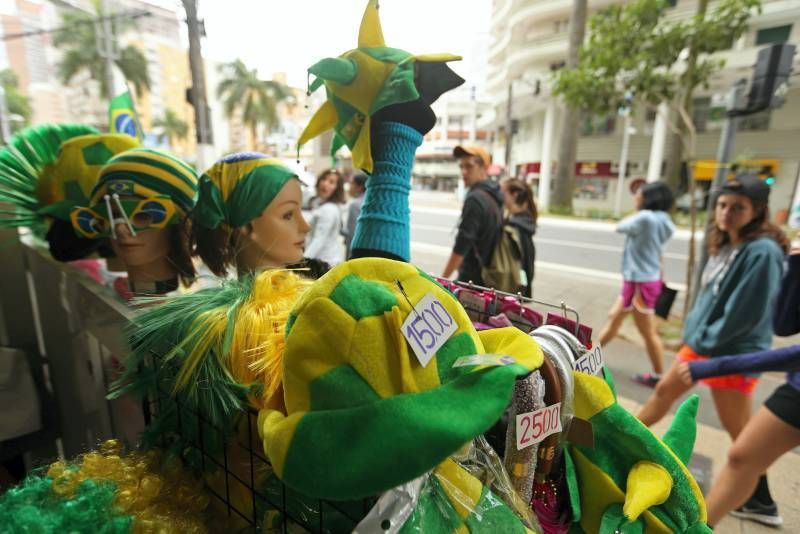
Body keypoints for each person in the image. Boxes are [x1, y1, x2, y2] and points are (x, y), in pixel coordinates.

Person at [636, 174, 789, 523]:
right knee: (663, 392)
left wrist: (704, 340)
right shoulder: (726, 242)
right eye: (722, 205)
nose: (726, 213)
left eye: (738, 207)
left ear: (757, 211)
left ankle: (761, 501)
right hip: (704, 344)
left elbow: (746, 313)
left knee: (741, 436)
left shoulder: (762, 252)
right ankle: (613, 441)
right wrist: (694, 334)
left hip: (731, 352)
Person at [677, 237, 800, 528]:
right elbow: (784, 324)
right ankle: (700, 528)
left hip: (731, 355)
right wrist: (796, 266)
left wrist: (713, 366)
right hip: (795, 390)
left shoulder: (762, 251)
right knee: (741, 457)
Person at [598, 182, 675, 387]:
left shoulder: (645, 218)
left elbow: (620, 226)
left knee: (646, 331)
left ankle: (659, 375)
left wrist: (637, 212)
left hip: (639, 282)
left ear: (649, 198)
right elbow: (659, 251)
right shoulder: (664, 220)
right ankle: (588, 358)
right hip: (646, 279)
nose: (636, 197)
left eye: (639, 194)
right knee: (614, 318)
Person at [191, 153, 313, 279]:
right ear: (247, 225)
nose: (306, 226)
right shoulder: (314, 296)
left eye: (300, 211)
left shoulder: (313, 294)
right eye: (288, 215)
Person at [441, 145, 503, 285]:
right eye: (461, 166)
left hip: (471, 282)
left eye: (469, 166)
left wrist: (442, 279)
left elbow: (463, 242)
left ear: (484, 168)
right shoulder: (495, 195)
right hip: (488, 278)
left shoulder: (475, 199)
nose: (463, 172)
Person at [500, 178, 537, 297]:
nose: (500, 195)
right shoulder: (523, 221)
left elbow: (523, 264)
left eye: (503, 192)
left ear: (514, 195)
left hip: (513, 290)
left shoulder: (516, 227)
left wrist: (521, 289)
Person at [305, 168, 346, 266]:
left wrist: (302, 262)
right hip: (324, 261)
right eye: (324, 179)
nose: (325, 184)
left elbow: (319, 239)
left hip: (324, 262)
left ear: (337, 188)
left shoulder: (328, 209)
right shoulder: (324, 205)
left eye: (331, 182)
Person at [342, 172, 367, 258]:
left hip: (356, 252)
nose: (349, 186)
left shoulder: (355, 205)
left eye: (352, 183)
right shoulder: (371, 201)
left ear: (359, 187)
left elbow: (352, 234)